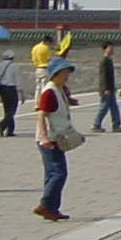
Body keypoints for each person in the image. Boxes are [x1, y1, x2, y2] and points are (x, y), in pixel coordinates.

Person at [34, 57, 77, 221]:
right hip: (50, 139)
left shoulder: (59, 90)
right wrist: (44, 136)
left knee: (51, 174)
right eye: (63, 73)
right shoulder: (49, 92)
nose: (66, 76)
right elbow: (41, 115)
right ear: (55, 74)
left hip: (58, 137)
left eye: (67, 73)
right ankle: (45, 205)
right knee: (59, 173)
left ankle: (52, 208)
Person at [91, 42, 121, 133]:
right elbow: (103, 76)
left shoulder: (109, 60)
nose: (112, 51)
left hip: (110, 88)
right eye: (110, 49)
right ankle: (96, 125)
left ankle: (116, 125)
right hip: (106, 89)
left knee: (114, 108)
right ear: (104, 50)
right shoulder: (104, 61)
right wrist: (106, 89)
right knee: (103, 107)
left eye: (113, 49)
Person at [0, 49, 23, 136]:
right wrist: (21, 93)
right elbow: (18, 80)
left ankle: (10, 130)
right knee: (12, 109)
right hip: (11, 89)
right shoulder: (14, 66)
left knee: (7, 109)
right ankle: (3, 124)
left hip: (2, 89)